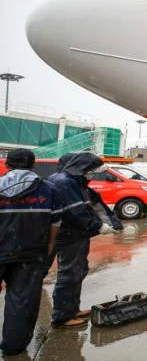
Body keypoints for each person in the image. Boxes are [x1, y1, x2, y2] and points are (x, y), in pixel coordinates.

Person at [0, 150, 65, 355]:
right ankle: (13, 347)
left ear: (7, 165)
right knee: (22, 303)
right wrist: (48, 248)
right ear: (33, 165)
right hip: (31, 255)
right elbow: (55, 224)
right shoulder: (49, 190)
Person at [49, 152, 123, 328]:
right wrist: (98, 226)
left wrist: (110, 223)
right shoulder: (65, 182)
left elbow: (93, 206)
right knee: (69, 274)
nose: (92, 175)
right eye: (91, 171)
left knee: (78, 271)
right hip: (70, 235)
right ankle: (62, 316)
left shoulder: (74, 181)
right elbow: (76, 212)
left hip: (76, 234)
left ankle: (72, 309)